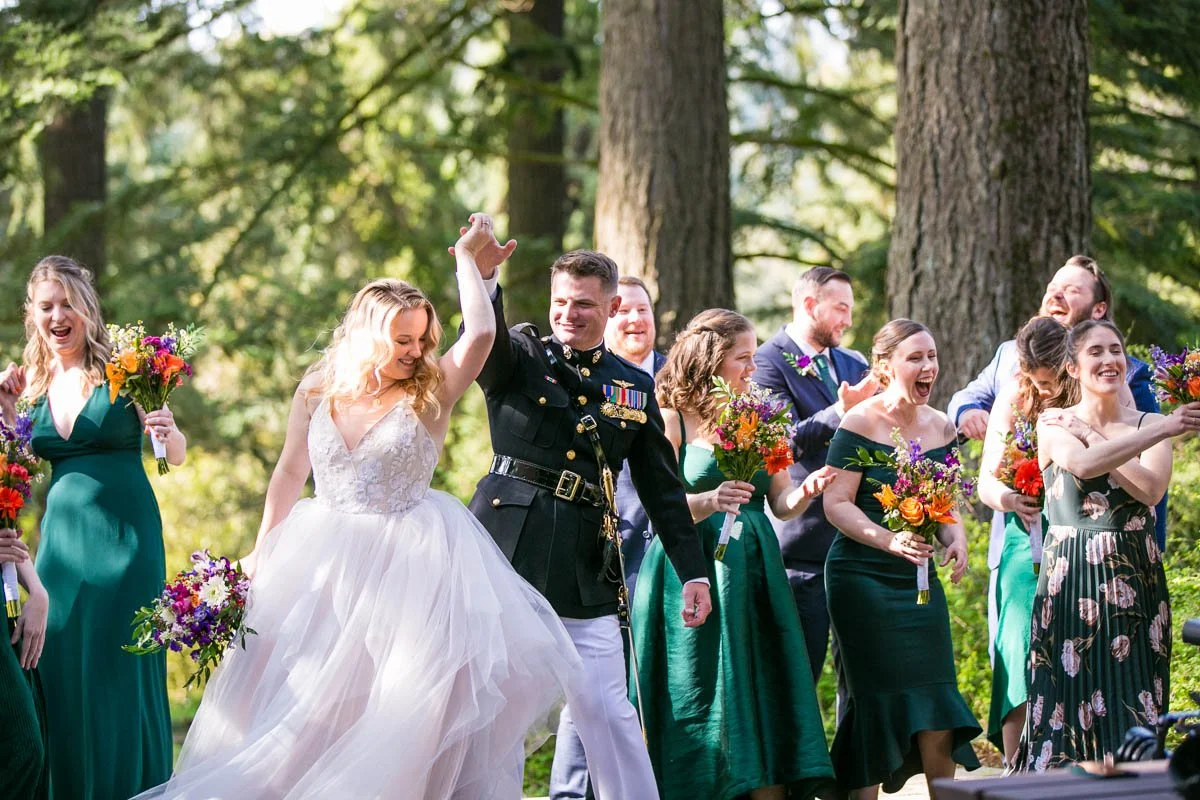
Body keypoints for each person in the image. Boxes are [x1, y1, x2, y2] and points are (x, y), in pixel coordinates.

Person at [136, 214, 580, 799]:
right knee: (303, 711)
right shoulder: (317, 388)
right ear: (369, 335)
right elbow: (292, 470)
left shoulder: (430, 391)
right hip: (318, 563)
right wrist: (263, 550)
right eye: (402, 340)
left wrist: (468, 265)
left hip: (410, 570)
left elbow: (479, 337)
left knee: (390, 718)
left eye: (422, 338)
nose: (416, 350)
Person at [466, 243, 712, 800]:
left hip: (586, 560)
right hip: (509, 552)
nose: (568, 314)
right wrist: (482, 282)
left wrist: (692, 572)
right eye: (560, 302)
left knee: (608, 708)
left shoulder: (631, 385)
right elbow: (483, 336)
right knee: (493, 709)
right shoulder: (519, 356)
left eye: (582, 304)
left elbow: (663, 492)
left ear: (611, 306)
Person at [631, 308, 836, 800]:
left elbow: (781, 504)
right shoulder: (672, 414)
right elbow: (658, 503)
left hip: (754, 569)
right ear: (711, 359)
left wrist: (806, 490)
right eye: (742, 358)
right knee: (697, 683)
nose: (752, 368)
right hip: (689, 565)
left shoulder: (762, 413)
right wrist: (708, 499)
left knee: (759, 681)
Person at [0, 255, 184, 799]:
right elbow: (12, 466)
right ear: (33, 315)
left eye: (67, 304)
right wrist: (6, 408)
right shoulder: (28, 386)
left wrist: (167, 429)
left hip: (127, 544)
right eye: (46, 306)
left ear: (85, 308)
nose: (58, 316)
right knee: (59, 674)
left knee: (120, 678)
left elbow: (173, 453)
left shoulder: (126, 370)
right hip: (60, 551)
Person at [946, 255, 1164, 688]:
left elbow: (1142, 450)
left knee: (1096, 668)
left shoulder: (1120, 370)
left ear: (1098, 309)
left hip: (1103, 535)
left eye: (1072, 289)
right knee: (1020, 653)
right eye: (1054, 285)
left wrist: (1147, 547)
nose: (1057, 294)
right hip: (1023, 534)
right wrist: (969, 410)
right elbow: (965, 398)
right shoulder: (1010, 355)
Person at [1015, 320, 1200, 771]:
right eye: (1095, 351)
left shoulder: (1150, 423)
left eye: (1115, 350)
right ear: (1074, 367)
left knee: (1131, 698)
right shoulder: (1054, 422)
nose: (1109, 360)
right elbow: (1080, 461)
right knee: (1064, 704)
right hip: (1070, 580)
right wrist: (1119, 441)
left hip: (1132, 579)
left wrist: (1105, 435)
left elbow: (1151, 489)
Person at [823, 319, 980, 798]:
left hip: (918, 581)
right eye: (915, 358)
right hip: (861, 578)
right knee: (874, 702)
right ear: (886, 367)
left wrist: (956, 537)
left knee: (936, 697)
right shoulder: (859, 422)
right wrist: (888, 540)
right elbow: (836, 504)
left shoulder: (942, 426)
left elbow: (944, 501)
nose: (928, 366)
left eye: (931, 356)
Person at [551, 275, 666, 800]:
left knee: (620, 688)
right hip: (602, 547)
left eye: (643, 311)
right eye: (627, 313)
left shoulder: (665, 380)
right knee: (592, 685)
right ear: (611, 316)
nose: (636, 321)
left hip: (659, 545)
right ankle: (571, 793)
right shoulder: (574, 375)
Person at [752, 267, 875, 702]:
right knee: (800, 671)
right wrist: (839, 411)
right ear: (809, 305)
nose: (847, 319)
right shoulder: (766, 361)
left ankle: (856, 769)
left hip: (858, 538)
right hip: (803, 541)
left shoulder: (854, 363)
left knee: (862, 673)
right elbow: (779, 445)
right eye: (840, 308)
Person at [975, 317, 1076, 765]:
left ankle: (1072, 759)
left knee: (1073, 647)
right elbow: (985, 482)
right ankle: (1017, 769)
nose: (1047, 390)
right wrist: (1011, 498)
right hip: (1024, 535)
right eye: (1038, 382)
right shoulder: (1014, 398)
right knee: (1017, 646)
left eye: (1052, 381)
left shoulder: (1089, 394)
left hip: (1076, 532)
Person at [0, 526, 49, 800]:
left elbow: (5, 525)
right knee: (23, 747)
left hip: (5, 604)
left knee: (32, 747)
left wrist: (38, 590)